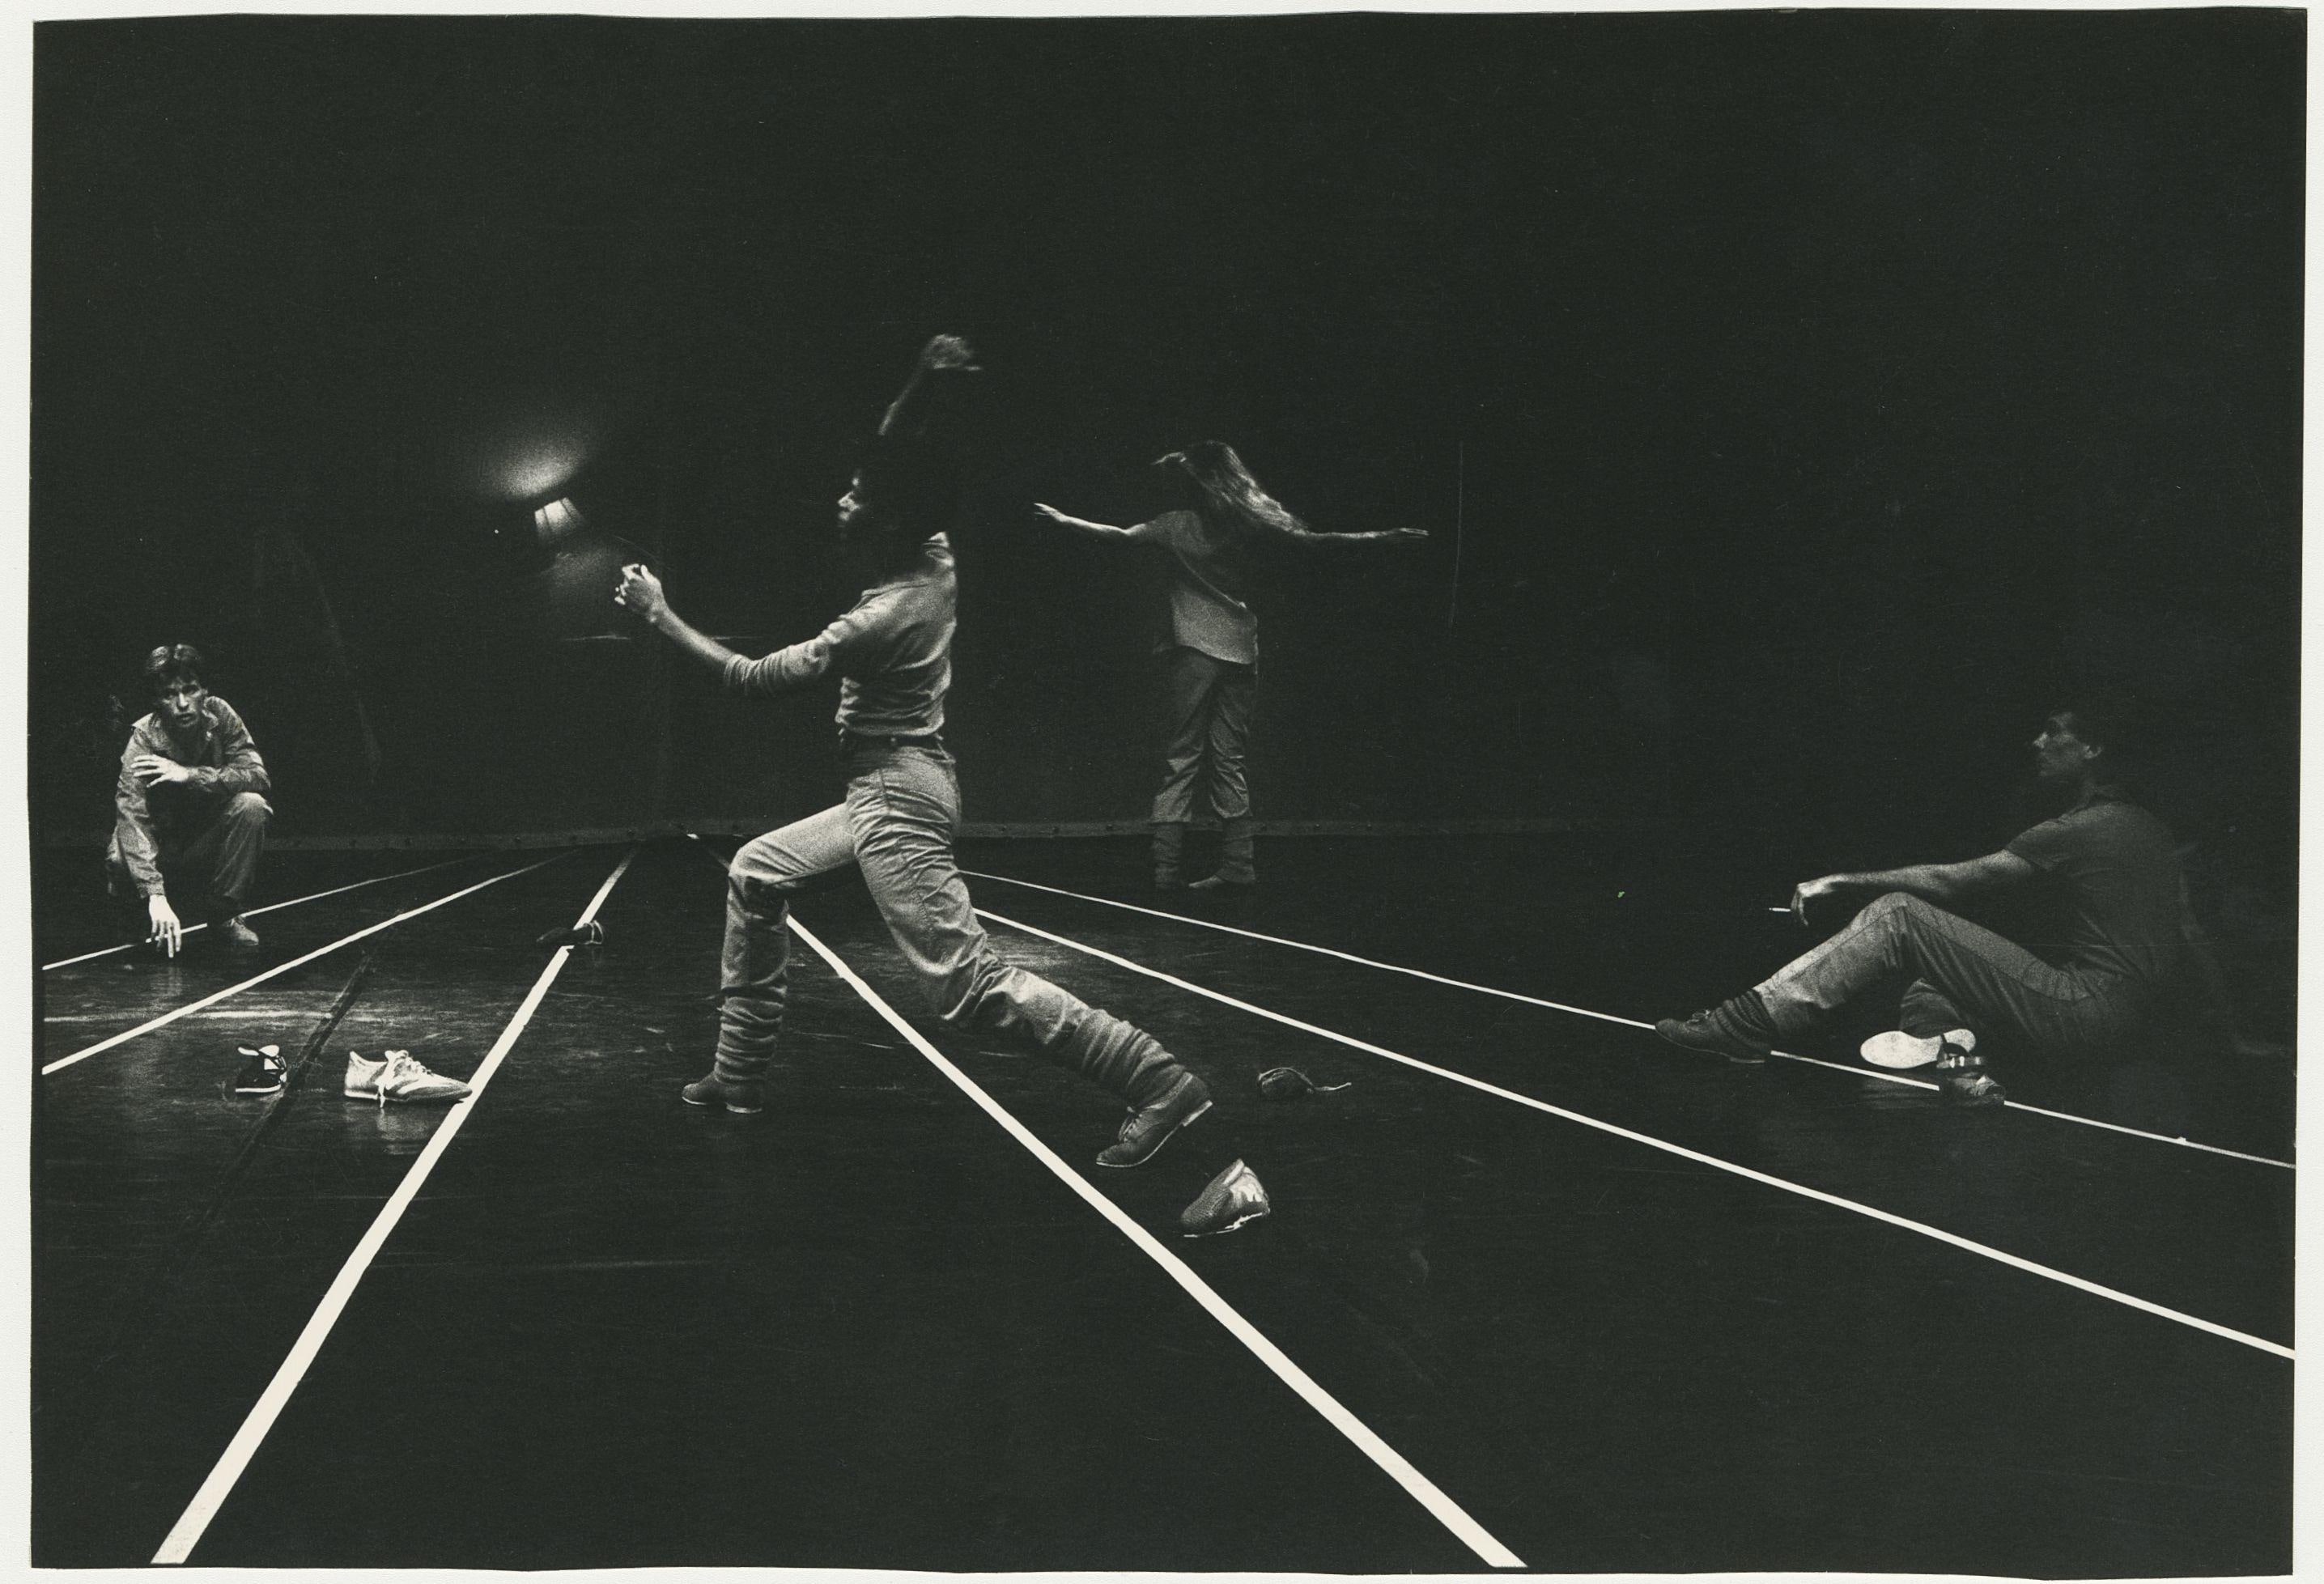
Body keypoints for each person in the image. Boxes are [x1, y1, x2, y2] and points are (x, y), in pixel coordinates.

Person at [614, 337, 1266, 1233]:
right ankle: (736, 1071)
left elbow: (748, 679)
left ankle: (1160, 1081)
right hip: (899, 779)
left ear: (880, 524)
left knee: (969, 989)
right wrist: (922, 381)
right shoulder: (928, 550)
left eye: (856, 497)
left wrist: (658, 615)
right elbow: (893, 453)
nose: (842, 498)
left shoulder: (882, 615)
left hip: (895, 798)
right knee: (758, 871)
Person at [1655, 699, 2190, 1107]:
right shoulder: (2154, 832)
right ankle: (1964, 1073)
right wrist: (2235, 1039)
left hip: (2084, 1010)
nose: (2037, 741)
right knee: (1938, 979)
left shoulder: (2081, 828)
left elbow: (1953, 881)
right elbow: (2191, 938)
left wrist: (1839, 880)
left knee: (1898, 914)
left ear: (2092, 749)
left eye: (2053, 730)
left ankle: (1742, 1025)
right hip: (2134, 1029)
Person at [1034, 442, 1425, 891]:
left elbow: (1119, 537)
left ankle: (1166, 869)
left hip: (1197, 649)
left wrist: (1065, 522)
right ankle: (1239, 864)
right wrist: (1381, 538)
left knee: (1182, 753)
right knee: (1229, 757)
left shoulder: (1176, 525)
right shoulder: (1247, 525)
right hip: (1241, 645)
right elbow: (1316, 544)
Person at [107, 643, 272, 958]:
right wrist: (154, 894)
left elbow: (257, 775)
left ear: (204, 691)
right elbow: (131, 816)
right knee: (119, 853)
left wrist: (191, 775)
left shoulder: (221, 715)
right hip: (161, 844)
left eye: (190, 690)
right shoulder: (142, 739)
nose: (182, 703)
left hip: (204, 839)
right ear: (157, 701)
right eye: (170, 694)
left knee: (252, 806)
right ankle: (134, 913)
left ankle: (224, 916)